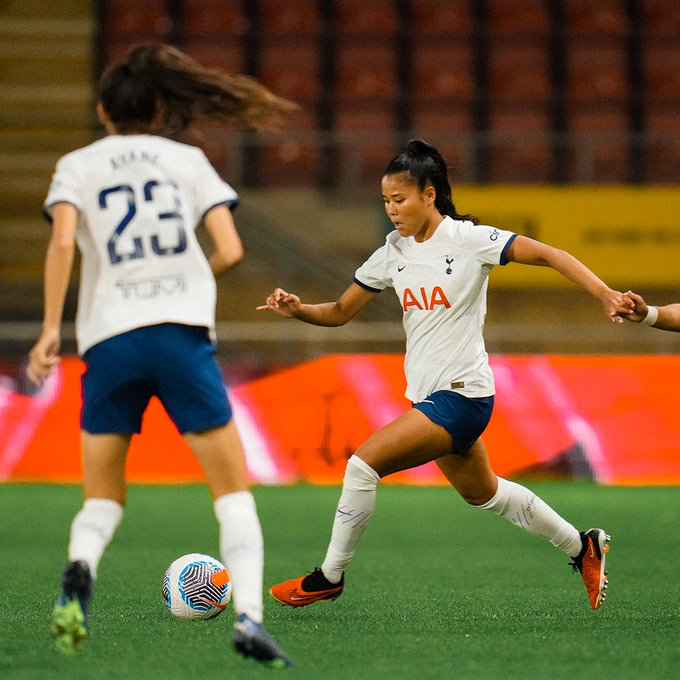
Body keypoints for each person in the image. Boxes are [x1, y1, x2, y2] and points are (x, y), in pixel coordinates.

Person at [258, 139, 633, 613]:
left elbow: (549, 253)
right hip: (429, 399)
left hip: (463, 397)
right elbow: (338, 311)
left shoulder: (468, 240)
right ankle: (583, 546)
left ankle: (328, 577)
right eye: (386, 201)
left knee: (362, 466)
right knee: (485, 494)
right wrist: (298, 310)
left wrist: (604, 294)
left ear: (429, 194)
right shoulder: (392, 251)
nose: (392, 210)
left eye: (400, 199)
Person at [27, 42, 295, 666]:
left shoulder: (76, 165)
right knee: (232, 495)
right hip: (179, 336)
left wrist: (48, 330)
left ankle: (80, 569)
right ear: (158, 109)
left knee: (101, 498)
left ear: (103, 111)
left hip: (110, 340)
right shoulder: (187, 160)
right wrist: (185, 280)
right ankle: (249, 618)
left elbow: (62, 243)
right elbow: (230, 250)